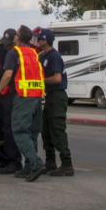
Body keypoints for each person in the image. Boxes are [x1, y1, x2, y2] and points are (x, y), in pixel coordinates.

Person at [0, 25, 45, 181]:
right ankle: (28, 167)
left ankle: (35, 164)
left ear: (17, 37)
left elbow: (8, 75)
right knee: (31, 133)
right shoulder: (33, 53)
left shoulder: (14, 53)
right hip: (36, 96)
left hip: (23, 96)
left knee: (20, 131)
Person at [33, 29, 74, 176]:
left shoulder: (54, 57)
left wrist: (41, 81)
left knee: (57, 129)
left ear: (46, 40)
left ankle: (67, 163)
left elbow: (57, 78)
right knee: (45, 130)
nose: (38, 41)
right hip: (49, 96)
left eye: (40, 39)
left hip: (57, 95)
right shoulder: (43, 55)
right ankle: (50, 162)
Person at [0, 28, 21, 174]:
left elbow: (8, 74)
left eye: (8, 44)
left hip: (11, 93)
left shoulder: (17, 53)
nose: (6, 46)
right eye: (5, 43)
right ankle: (2, 158)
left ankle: (13, 161)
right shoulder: (0, 49)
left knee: (9, 128)